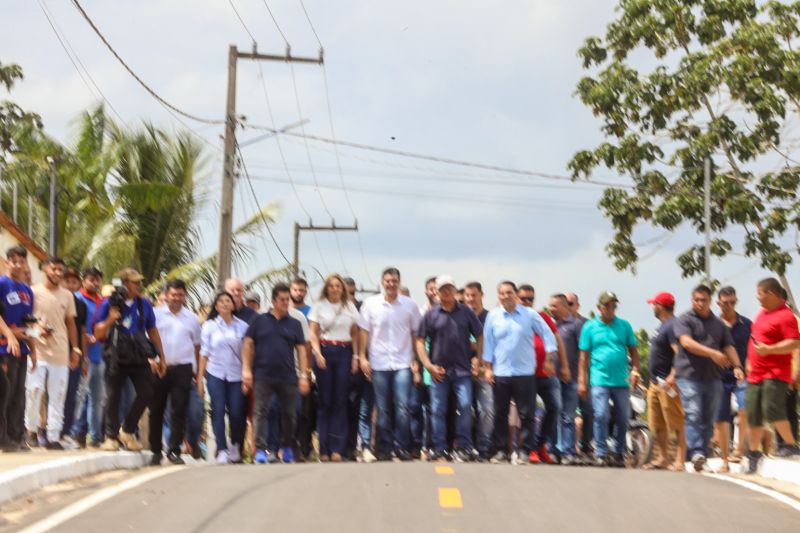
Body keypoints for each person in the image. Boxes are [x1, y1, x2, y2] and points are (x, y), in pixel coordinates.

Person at [482, 281, 557, 464]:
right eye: (502, 293)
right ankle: (500, 450)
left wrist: (548, 359)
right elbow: (488, 343)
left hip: (524, 372)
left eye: (509, 292)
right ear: (498, 296)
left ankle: (525, 451)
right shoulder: (493, 316)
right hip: (501, 372)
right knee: (500, 413)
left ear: (515, 294)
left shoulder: (529, 315)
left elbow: (548, 334)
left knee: (527, 415)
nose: (506, 296)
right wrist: (488, 369)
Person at [94, 268, 167, 452]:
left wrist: (161, 357)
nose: (139, 286)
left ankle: (127, 430)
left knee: (147, 391)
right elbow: (97, 332)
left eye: (140, 282)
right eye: (135, 282)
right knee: (113, 396)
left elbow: (152, 331)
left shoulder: (144, 304)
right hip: (116, 354)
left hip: (138, 354)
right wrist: (111, 319)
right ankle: (110, 437)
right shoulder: (109, 303)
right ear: (125, 283)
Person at [673, 285, 743, 472]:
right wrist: (712, 353)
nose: (700, 303)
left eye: (704, 300)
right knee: (694, 413)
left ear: (710, 301)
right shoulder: (684, 320)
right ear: (692, 300)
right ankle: (696, 451)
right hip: (689, 376)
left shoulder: (718, 325)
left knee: (708, 418)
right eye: (697, 299)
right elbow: (686, 343)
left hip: (713, 377)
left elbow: (728, 346)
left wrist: (737, 366)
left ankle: (701, 454)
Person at [357, 267, 422, 461]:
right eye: (387, 281)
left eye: (394, 281)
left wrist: (416, 360)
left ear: (399, 282)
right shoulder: (370, 304)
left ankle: (401, 446)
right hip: (379, 363)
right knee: (383, 408)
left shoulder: (410, 305)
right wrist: (362, 357)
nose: (391, 284)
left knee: (403, 406)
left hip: (403, 362)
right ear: (382, 282)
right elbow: (364, 333)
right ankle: (384, 448)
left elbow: (415, 334)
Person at [416, 275, 483, 462]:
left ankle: (464, 446)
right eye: (442, 289)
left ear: (455, 290)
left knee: (464, 406)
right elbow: (419, 341)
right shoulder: (431, 314)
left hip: (462, 371)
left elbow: (479, 335)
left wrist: (478, 359)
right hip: (439, 372)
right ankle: (439, 448)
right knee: (437, 410)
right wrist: (428, 366)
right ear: (436, 292)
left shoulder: (466, 312)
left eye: (450, 288)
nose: (446, 292)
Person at [244, 283, 310, 464]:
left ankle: (287, 447)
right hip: (262, 376)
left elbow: (302, 351)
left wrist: (304, 375)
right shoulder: (259, 320)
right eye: (282, 300)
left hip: (288, 377)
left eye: (287, 300)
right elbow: (248, 344)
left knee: (290, 413)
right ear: (273, 301)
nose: (285, 303)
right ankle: (261, 450)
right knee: (261, 412)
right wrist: (246, 370)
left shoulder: (295, 323)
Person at [578, 291, 641, 468]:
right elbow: (583, 357)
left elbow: (634, 352)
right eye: (607, 305)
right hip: (599, 379)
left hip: (621, 380)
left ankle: (619, 452)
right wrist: (582, 381)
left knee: (623, 417)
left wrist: (635, 371)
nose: (610, 309)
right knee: (601, 414)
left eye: (613, 305)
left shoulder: (624, 326)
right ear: (599, 307)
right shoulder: (590, 327)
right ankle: (601, 452)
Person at [746, 278, 800, 473]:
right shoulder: (761, 314)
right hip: (756, 373)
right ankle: (753, 453)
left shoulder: (786, 316)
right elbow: (754, 340)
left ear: (771, 294)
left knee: (772, 408)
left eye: (759, 293)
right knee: (753, 413)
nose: (757, 297)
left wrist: (769, 350)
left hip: (776, 372)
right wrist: (748, 361)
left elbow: (794, 342)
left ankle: (790, 444)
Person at [25, 257, 80, 450]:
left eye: (60, 270)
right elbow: (27, 319)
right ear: (45, 269)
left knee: (58, 395)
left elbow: (71, 323)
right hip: (37, 351)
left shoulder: (67, 295)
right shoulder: (33, 291)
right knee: (34, 392)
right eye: (54, 269)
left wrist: (75, 349)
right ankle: (31, 431)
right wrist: (38, 329)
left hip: (60, 352)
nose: (57, 273)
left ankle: (53, 436)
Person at [308, 274, 360, 462]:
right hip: (325, 351)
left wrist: (355, 356)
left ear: (342, 288)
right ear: (326, 288)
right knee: (325, 402)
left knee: (340, 401)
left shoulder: (349, 307)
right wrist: (317, 353)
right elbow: (313, 333)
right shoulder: (319, 306)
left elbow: (355, 334)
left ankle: (338, 449)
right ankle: (323, 449)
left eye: (338, 286)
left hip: (345, 352)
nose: (335, 289)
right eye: (331, 286)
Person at [150, 279, 202, 465]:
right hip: (160, 368)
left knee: (178, 410)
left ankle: (174, 450)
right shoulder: (155, 314)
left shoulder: (192, 318)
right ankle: (156, 450)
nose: (176, 298)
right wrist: (152, 359)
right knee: (156, 409)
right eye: (173, 295)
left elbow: (197, 346)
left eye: (180, 295)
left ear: (184, 296)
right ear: (166, 295)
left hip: (183, 368)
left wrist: (195, 369)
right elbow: (149, 338)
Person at [518, 284, 569, 464]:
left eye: (530, 299)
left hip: (547, 373)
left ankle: (541, 445)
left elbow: (556, 340)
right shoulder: (512, 319)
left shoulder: (542, 317)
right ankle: (530, 449)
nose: (526, 302)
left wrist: (564, 366)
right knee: (529, 413)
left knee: (555, 407)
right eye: (523, 298)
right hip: (525, 374)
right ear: (517, 298)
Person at [198, 291, 249, 464]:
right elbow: (204, 354)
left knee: (236, 412)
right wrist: (199, 380)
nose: (225, 304)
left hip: (237, 375)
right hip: (215, 373)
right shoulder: (209, 326)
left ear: (233, 305)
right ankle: (221, 449)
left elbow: (247, 352)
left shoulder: (242, 326)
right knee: (217, 410)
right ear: (216, 306)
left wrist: (247, 374)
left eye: (228, 301)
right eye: (221, 301)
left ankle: (235, 445)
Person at [644, 291, 686, 471]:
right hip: (655, 383)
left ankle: (680, 459)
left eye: (655, 304)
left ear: (661, 306)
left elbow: (680, 352)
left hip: (668, 382)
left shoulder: (672, 325)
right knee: (657, 422)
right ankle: (662, 458)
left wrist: (674, 375)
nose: (653, 307)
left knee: (676, 421)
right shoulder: (661, 326)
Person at [715, 286, 751, 471]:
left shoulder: (746, 324)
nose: (729, 306)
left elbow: (752, 348)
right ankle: (724, 460)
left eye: (732, 302)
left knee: (744, 409)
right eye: (725, 303)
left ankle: (738, 449)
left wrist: (749, 365)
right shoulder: (712, 324)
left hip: (741, 375)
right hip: (718, 377)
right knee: (721, 419)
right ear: (718, 303)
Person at [0, 246, 32, 452]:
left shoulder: (27, 290)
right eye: (15, 261)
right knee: (6, 392)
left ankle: (18, 435)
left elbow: (28, 322)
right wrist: (10, 334)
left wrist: (34, 344)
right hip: (5, 347)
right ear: (8, 262)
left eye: (22, 261)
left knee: (20, 393)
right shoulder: (2, 283)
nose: (19, 265)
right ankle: (5, 438)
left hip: (23, 348)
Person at [70, 267, 105, 448]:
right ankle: (76, 432)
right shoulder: (76, 299)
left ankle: (95, 436)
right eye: (91, 279)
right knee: (80, 396)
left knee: (97, 399)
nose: (95, 282)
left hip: (101, 355)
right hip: (83, 355)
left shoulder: (104, 302)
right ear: (84, 281)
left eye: (98, 279)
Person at [548, 293, 584, 465]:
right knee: (554, 414)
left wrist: (581, 376)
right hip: (551, 379)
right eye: (550, 306)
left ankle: (568, 452)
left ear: (564, 306)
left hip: (571, 378)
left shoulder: (577, 326)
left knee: (568, 416)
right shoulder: (549, 326)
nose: (551, 309)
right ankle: (553, 450)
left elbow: (584, 354)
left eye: (554, 306)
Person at [343, 277, 375, 463]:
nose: (350, 297)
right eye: (346, 293)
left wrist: (364, 359)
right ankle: (347, 447)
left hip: (365, 365)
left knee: (365, 409)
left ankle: (365, 446)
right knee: (346, 407)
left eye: (353, 293)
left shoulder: (363, 309)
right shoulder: (336, 311)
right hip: (342, 367)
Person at [464, 281, 493, 461]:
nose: (470, 299)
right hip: (463, 372)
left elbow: (493, 344)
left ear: (482, 295)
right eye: (467, 295)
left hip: (484, 372)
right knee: (465, 409)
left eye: (474, 295)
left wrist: (481, 362)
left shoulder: (491, 317)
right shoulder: (460, 315)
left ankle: (484, 447)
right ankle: (466, 447)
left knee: (487, 410)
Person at [60, 268, 88, 447]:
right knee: (54, 394)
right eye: (67, 281)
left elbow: (82, 331)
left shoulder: (81, 305)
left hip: (74, 355)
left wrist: (83, 357)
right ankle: (46, 431)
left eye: (73, 282)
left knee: (71, 395)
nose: (70, 285)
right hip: (55, 353)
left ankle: (66, 432)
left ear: (78, 284)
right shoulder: (56, 299)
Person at [567, 292, 593, 460]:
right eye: (566, 303)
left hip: (586, 377)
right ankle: (569, 449)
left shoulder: (587, 325)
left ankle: (586, 445)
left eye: (571, 303)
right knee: (568, 416)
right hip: (567, 378)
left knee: (589, 412)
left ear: (578, 305)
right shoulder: (559, 324)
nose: (568, 306)